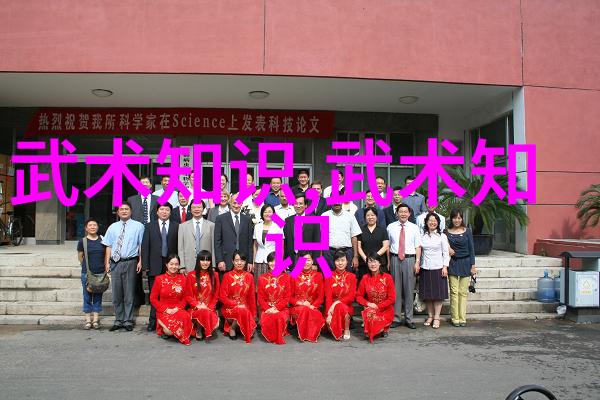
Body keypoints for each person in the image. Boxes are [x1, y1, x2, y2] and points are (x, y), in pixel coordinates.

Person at [102, 202, 145, 332]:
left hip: (131, 262)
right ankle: (118, 320)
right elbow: (108, 245)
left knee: (129, 293)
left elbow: (141, 245)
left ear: (131, 211)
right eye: (121, 209)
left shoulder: (139, 226)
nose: (124, 211)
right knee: (117, 293)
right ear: (118, 212)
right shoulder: (112, 227)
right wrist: (107, 262)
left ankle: (128, 320)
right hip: (115, 262)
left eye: (126, 209)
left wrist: (140, 261)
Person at [141, 203, 179, 332]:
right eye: (161, 209)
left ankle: (169, 320)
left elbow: (178, 246)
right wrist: (145, 265)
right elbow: (145, 246)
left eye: (167, 210)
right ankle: (153, 321)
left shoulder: (176, 226)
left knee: (170, 295)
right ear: (157, 212)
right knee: (155, 295)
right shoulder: (149, 226)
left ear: (170, 212)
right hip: (154, 265)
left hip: (171, 265)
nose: (164, 212)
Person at [387, 203, 422, 330]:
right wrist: (389, 261)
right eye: (400, 211)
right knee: (395, 290)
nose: (403, 214)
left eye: (405, 212)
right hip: (395, 259)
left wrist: (417, 262)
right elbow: (388, 246)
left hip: (409, 259)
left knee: (409, 290)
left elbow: (418, 246)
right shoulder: (390, 227)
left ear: (409, 213)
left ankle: (409, 318)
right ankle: (396, 318)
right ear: (397, 213)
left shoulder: (414, 227)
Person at [149, 254, 193, 345]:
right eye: (171, 264)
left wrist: (178, 308)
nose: (174, 266)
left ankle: (178, 333)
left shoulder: (183, 279)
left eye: (176, 264)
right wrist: (166, 309)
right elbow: (153, 298)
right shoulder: (159, 279)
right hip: (164, 310)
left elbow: (186, 297)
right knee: (169, 331)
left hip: (178, 308)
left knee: (186, 317)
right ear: (167, 264)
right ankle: (161, 324)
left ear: (179, 266)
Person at [445, 209, 477, 327]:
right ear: (451, 219)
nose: (457, 220)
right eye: (454, 218)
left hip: (465, 262)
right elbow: (441, 243)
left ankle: (462, 318)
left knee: (463, 292)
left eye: (459, 218)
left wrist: (473, 266)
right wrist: (448, 248)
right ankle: (455, 318)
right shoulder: (446, 232)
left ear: (462, 219)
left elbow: (471, 249)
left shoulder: (467, 231)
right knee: (454, 291)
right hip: (452, 262)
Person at [419, 212, 450, 329]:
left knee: (437, 295)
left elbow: (446, 253)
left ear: (438, 223)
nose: (432, 222)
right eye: (430, 220)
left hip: (438, 268)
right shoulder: (422, 236)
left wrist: (445, 266)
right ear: (426, 222)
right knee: (427, 295)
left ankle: (437, 317)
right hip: (425, 268)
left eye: (435, 221)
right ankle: (430, 316)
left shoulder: (442, 236)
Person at [356, 253, 396, 343]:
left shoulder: (388, 277)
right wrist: (368, 303)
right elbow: (358, 296)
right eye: (370, 262)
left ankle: (383, 327)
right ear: (367, 264)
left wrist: (378, 306)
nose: (373, 264)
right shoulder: (365, 278)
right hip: (371, 308)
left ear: (380, 263)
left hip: (385, 309)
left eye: (375, 261)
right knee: (370, 326)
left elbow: (392, 298)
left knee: (375, 326)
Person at [219, 251, 257, 342]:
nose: (239, 263)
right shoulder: (227, 276)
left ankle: (239, 327)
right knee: (242, 310)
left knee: (251, 330)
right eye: (236, 260)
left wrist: (254, 315)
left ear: (245, 262)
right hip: (230, 308)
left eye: (242, 261)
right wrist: (236, 304)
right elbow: (222, 297)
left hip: (245, 307)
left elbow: (251, 297)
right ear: (232, 261)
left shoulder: (249, 276)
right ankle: (232, 328)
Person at [214, 194, 254, 276]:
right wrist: (220, 260)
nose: (236, 205)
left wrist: (250, 261)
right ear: (230, 203)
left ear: (242, 203)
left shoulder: (247, 219)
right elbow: (217, 242)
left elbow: (250, 243)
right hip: (226, 261)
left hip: (243, 261)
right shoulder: (220, 219)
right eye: (234, 203)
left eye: (238, 203)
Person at [77, 218, 106, 330]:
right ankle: (88, 320)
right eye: (90, 225)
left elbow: (106, 254)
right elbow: (80, 256)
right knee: (87, 296)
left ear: (97, 227)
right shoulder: (82, 241)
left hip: (100, 273)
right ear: (86, 228)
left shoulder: (102, 240)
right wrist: (85, 267)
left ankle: (96, 319)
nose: (93, 227)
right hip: (87, 273)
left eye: (95, 225)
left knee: (98, 296)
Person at [290, 252, 325, 342]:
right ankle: (304, 334)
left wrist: (313, 305)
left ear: (312, 261)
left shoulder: (318, 275)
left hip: (312, 306)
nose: (306, 262)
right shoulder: (294, 275)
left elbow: (320, 296)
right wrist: (301, 303)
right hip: (298, 306)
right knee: (304, 309)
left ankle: (310, 334)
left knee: (313, 313)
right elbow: (289, 297)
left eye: (308, 260)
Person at [185, 250, 220, 341]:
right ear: (198, 261)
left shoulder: (215, 275)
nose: (205, 263)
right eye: (203, 260)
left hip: (209, 307)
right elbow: (188, 296)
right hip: (196, 308)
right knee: (202, 312)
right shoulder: (191, 275)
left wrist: (210, 307)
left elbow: (216, 295)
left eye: (207, 260)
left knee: (216, 325)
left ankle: (204, 327)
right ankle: (199, 329)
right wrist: (198, 305)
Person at [257, 252, 291, 345]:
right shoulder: (262, 278)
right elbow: (260, 298)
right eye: (271, 261)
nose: (274, 264)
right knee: (270, 317)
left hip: (281, 308)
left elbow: (287, 297)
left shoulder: (286, 277)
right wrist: (268, 309)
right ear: (268, 263)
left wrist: (276, 308)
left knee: (278, 316)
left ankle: (278, 334)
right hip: (267, 308)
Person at [324, 251, 357, 341]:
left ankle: (346, 328)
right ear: (334, 262)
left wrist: (337, 302)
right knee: (330, 328)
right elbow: (328, 297)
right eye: (337, 260)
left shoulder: (352, 276)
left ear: (347, 262)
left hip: (346, 306)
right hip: (331, 308)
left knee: (341, 306)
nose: (340, 263)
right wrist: (328, 314)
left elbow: (351, 297)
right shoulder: (328, 275)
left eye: (343, 260)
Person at [322, 201, 362, 272]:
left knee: (347, 276)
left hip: (347, 253)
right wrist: (320, 258)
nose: (336, 203)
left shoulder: (350, 216)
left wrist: (355, 256)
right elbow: (321, 238)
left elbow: (354, 237)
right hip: (329, 253)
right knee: (328, 276)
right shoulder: (324, 215)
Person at [178, 199, 215, 272]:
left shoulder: (211, 225)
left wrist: (213, 265)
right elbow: (180, 248)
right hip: (188, 264)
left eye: (199, 207)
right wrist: (182, 266)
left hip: (206, 263)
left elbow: (213, 247)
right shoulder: (182, 226)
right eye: (194, 207)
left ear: (203, 209)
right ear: (190, 209)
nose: (196, 209)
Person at [283, 193, 320, 265]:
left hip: (307, 260)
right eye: (296, 203)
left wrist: (315, 262)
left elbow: (317, 241)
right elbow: (286, 244)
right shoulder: (288, 220)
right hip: (291, 259)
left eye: (300, 203)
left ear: (306, 205)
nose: (298, 206)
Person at [252, 204, 284, 288]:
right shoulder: (257, 227)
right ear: (262, 214)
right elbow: (255, 246)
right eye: (265, 212)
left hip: (273, 261)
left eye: (270, 212)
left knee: (271, 285)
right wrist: (253, 261)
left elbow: (280, 247)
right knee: (259, 286)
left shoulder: (278, 226)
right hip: (259, 261)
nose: (267, 214)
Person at [357, 207, 390, 282]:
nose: (370, 217)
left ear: (376, 216)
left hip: (380, 263)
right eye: (368, 215)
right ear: (365, 217)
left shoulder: (382, 229)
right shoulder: (361, 230)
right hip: (364, 263)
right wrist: (366, 259)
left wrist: (374, 258)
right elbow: (358, 247)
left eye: (372, 215)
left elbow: (385, 246)